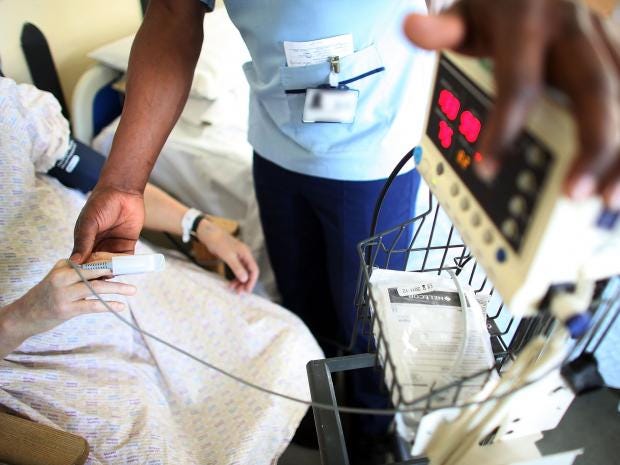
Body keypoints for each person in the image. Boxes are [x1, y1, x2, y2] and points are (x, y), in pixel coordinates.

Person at [69, 0, 620, 459]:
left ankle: (375, 433)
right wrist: (123, 183)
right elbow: (173, 13)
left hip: (374, 155)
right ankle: (323, 409)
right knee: (303, 299)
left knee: (370, 322)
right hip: (276, 145)